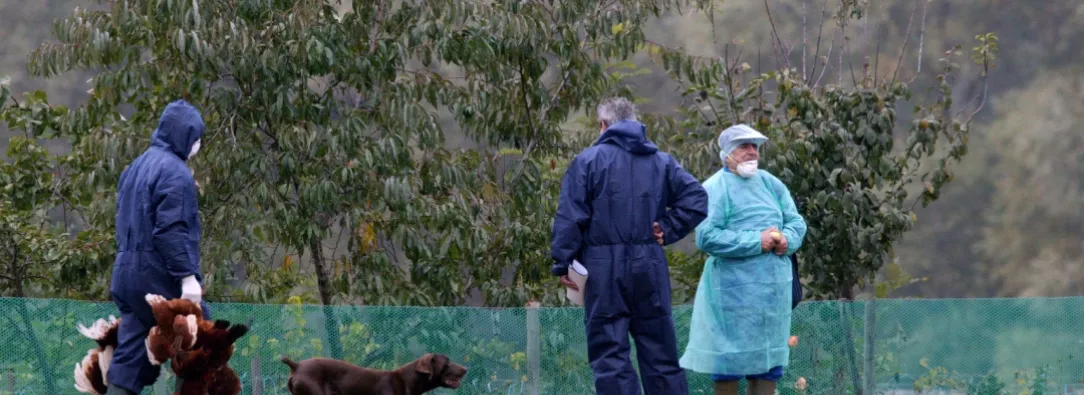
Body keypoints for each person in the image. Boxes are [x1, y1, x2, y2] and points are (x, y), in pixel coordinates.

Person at [550, 97, 708, 395]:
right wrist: (669, 228)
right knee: (661, 355)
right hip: (649, 266)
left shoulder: (588, 161)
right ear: (635, 122)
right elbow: (697, 198)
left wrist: (563, 263)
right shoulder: (661, 162)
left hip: (602, 271)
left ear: (603, 125)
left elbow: (570, 218)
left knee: (610, 356)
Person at [678, 124, 807, 395]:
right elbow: (707, 237)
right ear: (726, 152)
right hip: (732, 295)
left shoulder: (772, 184)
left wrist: (786, 240)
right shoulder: (715, 187)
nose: (751, 152)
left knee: (769, 361)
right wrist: (755, 242)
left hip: (772, 293)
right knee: (729, 361)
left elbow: (796, 221)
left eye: (755, 147)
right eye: (743, 146)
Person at [107, 99, 212, 395]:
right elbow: (171, 230)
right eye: (196, 136)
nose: (198, 144)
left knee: (130, 353)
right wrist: (187, 276)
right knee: (202, 340)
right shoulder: (176, 173)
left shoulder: (135, 168)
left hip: (126, 276)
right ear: (185, 135)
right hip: (158, 276)